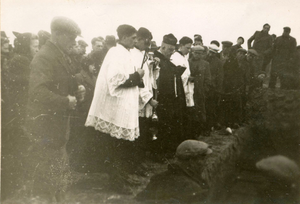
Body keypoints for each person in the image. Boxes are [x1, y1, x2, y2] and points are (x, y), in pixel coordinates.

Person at [25, 16, 82, 202]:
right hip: (46, 128)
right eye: (71, 37)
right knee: (47, 181)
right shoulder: (44, 56)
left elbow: (60, 81)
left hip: (57, 127)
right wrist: (65, 101)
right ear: (57, 34)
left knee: (57, 177)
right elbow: (37, 93)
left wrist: (77, 87)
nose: (74, 42)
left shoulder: (58, 54)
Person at [85, 24, 144, 194]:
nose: (135, 40)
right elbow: (116, 80)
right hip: (115, 107)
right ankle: (116, 183)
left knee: (122, 145)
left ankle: (122, 178)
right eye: (133, 38)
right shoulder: (116, 52)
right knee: (116, 146)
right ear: (124, 37)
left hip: (123, 107)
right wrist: (137, 75)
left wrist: (138, 76)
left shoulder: (125, 52)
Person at [136, 140, 212, 204]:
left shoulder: (158, 178)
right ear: (191, 161)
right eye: (203, 159)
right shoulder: (193, 188)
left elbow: (138, 200)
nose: (207, 162)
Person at [153, 33, 187, 155]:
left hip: (170, 98)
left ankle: (166, 150)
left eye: (173, 50)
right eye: (170, 50)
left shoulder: (167, 60)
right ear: (162, 47)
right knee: (160, 126)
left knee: (168, 124)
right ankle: (159, 152)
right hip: (160, 98)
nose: (172, 53)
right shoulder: (155, 58)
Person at [131, 28, 159, 157]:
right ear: (139, 39)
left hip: (145, 97)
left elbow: (150, 79)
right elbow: (138, 81)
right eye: (146, 41)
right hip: (136, 99)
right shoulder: (132, 54)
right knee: (137, 130)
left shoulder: (144, 54)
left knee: (144, 129)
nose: (147, 44)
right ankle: (135, 161)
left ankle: (140, 159)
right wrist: (148, 98)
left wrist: (153, 66)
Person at [189, 45, 211, 136]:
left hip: (200, 91)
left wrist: (205, 89)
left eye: (200, 54)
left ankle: (202, 129)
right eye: (196, 53)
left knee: (201, 110)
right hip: (190, 91)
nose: (197, 55)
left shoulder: (205, 64)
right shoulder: (188, 62)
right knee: (192, 110)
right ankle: (193, 130)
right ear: (192, 53)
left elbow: (208, 78)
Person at [206, 44, 223, 130]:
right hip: (204, 87)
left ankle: (210, 125)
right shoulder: (204, 59)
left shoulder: (219, 62)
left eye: (213, 53)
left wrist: (218, 89)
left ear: (216, 53)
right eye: (210, 52)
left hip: (213, 88)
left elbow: (220, 77)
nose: (211, 54)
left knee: (211, 107)